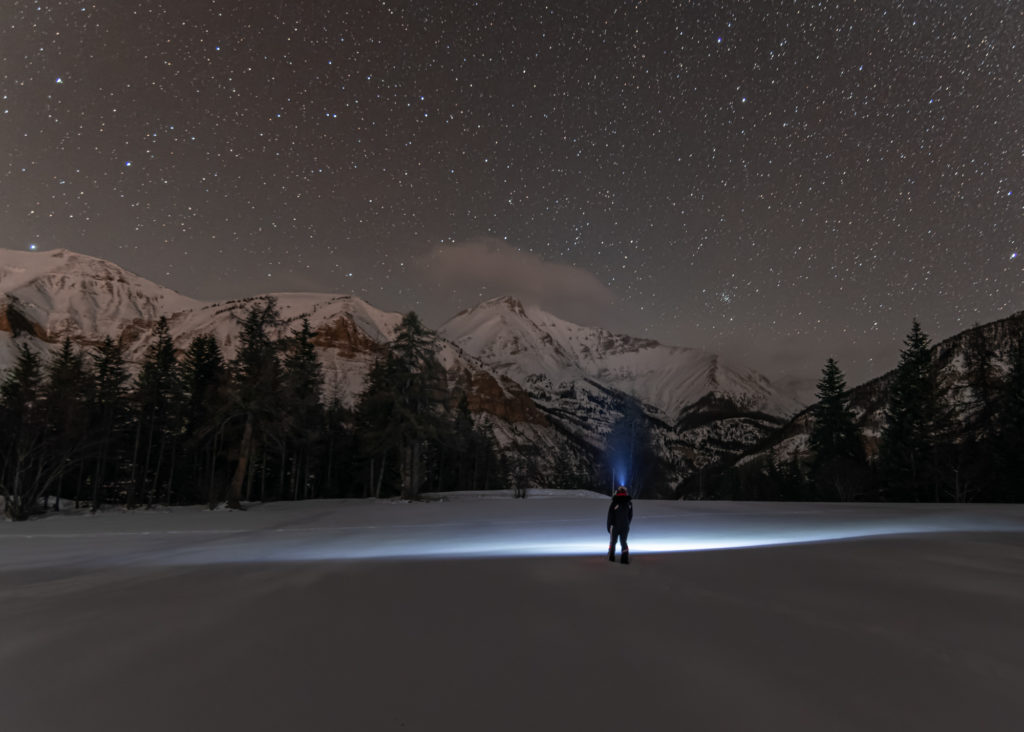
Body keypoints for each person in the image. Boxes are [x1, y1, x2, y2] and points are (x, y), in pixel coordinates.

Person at [607, 485, 633, 563]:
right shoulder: (629, 503)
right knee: (623, 541)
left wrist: (609, 526)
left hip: (615, 525)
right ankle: (624, 558)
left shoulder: (614, 502)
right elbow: (630, 515)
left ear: (617, 492)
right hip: (625, 526)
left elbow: (610, 515)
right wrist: (627, 523)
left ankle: (611, 556)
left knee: (613, 541)